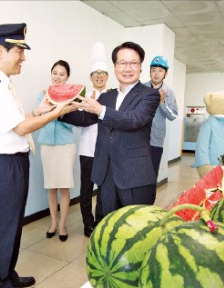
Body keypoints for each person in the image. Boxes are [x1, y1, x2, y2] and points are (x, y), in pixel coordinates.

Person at [0, 23, 76, 288]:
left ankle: (8, 275)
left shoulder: (4, 83)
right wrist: (57, 112)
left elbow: (18, 120)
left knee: (13, 224)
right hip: (2, 165)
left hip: (14, 163)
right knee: (1, 228)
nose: (24, 57)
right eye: (19, 51)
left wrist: (40, 111)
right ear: (0, 51)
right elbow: (21, 127)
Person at [61, 41, 160, 218]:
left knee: (134, 227)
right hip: (106, 174)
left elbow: (134, 120)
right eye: (122, 63)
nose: (127, 68)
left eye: (133, 63)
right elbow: (85, 119)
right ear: (115, 67)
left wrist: (99, 109)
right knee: (108, 225)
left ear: (140, 67)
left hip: (134, 175)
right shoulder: (107, 96)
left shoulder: (149, 95)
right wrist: (59, 111)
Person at [35, 60, 75, 241]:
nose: (58, 77)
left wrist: (62, 108)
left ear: (67, 77)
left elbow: (74, 119)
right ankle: (53, 222)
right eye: (55, 73)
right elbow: (38, 116)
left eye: (62, 74)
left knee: (64, 186)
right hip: (47, 145)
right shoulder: (42, 95)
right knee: (51, 186)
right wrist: (47, 106)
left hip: (65, 145)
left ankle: (63, 224)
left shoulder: (72, 97)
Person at [79, 42, 108, 236]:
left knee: (104, 190)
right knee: (86, 190)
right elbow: (81, 120)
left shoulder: (114, 96)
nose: (99, 76)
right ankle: (87, 223)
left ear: (107, 76)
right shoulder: (83, 97)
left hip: (106, 151)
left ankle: (100, 221)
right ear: (91, 77)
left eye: (103, 73)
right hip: (87, 150)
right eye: (95, 73)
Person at [143, 56, 178, 177]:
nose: (156, 74)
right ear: (150, 72)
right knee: (137, 173)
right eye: (153, 70)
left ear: (165, 74)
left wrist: (162, 103)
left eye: (160, 70)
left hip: (156, 141)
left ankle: (150, 197)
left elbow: (173, 115)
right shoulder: (141, 89)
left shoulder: (169, 92)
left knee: (152, 174)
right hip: (139, 139)